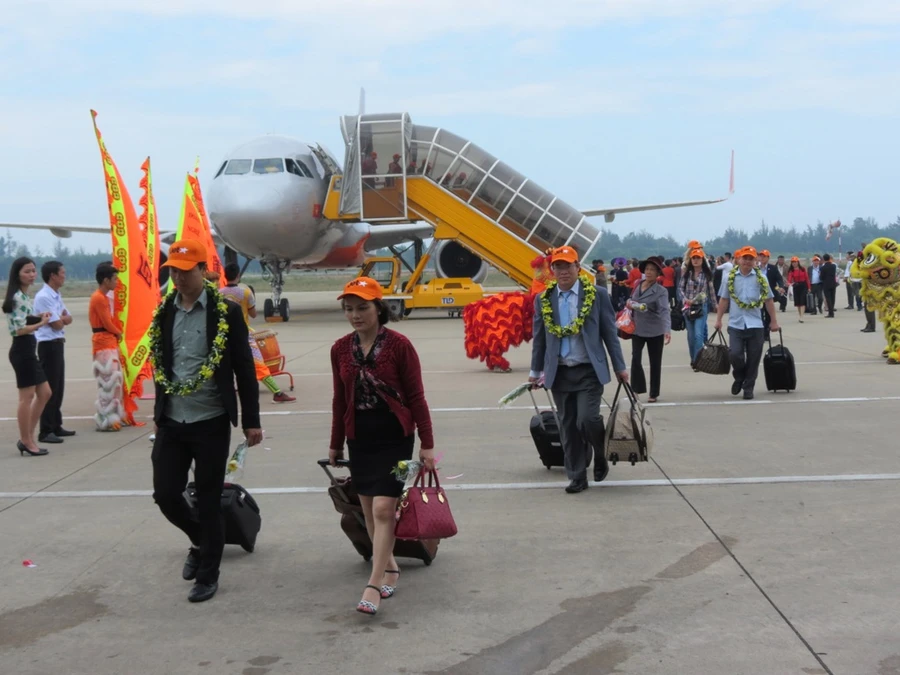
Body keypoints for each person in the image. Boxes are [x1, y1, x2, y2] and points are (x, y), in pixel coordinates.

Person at [150, 240, 262, 604]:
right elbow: (162, 362)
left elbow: (244, 368)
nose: (178, 278)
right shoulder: (164, 310)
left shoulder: (226, 312)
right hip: (172, 420)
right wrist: (158, 413)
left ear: (203, 270)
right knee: (166, 494)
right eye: (173, 272)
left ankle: (208, 573)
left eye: (185, 270)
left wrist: (251, 421)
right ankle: (200, 539)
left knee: (210, 498)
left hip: (210, 419)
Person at [329, 276, 435, 616]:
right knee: (369, 511)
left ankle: (373, 584)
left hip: (396, 438)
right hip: (359, 438)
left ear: (378, 308)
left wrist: (427, 444)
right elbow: (339, 399)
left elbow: (417, 397)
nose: (356, 315)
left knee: (383, 510)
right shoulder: (340, 349)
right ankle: (389, 566)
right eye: (349, 309)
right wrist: (335, 444)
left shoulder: (399, 346)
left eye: (362, 308)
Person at [529, 246, 628, 494]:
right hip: (560, 372)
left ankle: (601, 452)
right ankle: (577, 476)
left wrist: (620, 367)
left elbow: (609, 333)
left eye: (568, 266)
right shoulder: (543, 299)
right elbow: (539, 339)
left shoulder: (597, 295)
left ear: (578, 267)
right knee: (568, 425)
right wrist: (535, 371)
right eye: (558, 267)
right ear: (553, 270)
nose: (563, 272)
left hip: (588, 370)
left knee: (588, 419)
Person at [220, 263, 296, 404]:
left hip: (223, 335)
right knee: (259, 365)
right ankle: (277, 393)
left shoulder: (219, 293)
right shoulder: (246, 292)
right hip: (243, 334)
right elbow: (253, 314)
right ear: (238, 275)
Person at [715, 246, 780, 400]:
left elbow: (768, 300)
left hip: (756, 324)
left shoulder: (761, 278)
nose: (747, 261)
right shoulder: (729, 278)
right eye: (745, 258)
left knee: (754, 358)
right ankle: (739, 376)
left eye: (751, 258)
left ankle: (748, 387)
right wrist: (718, 320)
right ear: (738, 259)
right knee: (735, 355)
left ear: (755, 261)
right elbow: (724, 299)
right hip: (736, 324)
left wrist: (774, 322)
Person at [2, 257, 52, 456]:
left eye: (33, 271)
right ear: (17, 275)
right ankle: (26, 440)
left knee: (45, 392)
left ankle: (28, 436)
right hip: (22, 349)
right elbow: (18, 329)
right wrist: (41, 324)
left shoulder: (24, 296)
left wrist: (39, 317)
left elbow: (23, 319)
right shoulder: (17, 297)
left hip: (29, 348)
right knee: (26, 397)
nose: (32, 275)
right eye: (27, 272)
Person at [33, 260, 74, 444]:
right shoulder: (44, 297)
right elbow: (57, 324)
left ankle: (56, 424)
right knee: (49, 388)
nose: (64, 276)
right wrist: (63, 319)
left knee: (59, 387)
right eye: (62, 273)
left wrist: (63, 319)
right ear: (53, 276)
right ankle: (46, 430)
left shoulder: (56, 294)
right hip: (48, 345)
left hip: (57, 343)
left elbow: (68, 317)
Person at [628, 257, 671, 402]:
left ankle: (654, 393)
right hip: (637, 328)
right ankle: (636, 389)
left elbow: (665, 310)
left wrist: (667, 329)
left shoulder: (661, 291)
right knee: (635, 358)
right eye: (647, 269)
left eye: (652, 270)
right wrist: (630, 303)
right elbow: (631, 299)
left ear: (658, 273)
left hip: (655, 330)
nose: (649, 272)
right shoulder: (637, 284)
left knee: (655, 362)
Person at [89, 263, 125, 431]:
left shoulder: (102, 297)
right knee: (107, 383)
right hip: (103, 342)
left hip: (107, 341)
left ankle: (114, 416)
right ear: (106, 280)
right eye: (114, 279)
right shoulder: (99, 298)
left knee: (113, 381)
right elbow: (106, 322)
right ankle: (106, 419)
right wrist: (118, 332)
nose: (116, 282)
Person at [681, 249, 716, 368]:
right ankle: (693, 359)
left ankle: (698, 361)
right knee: (691, 337)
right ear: (690, 260)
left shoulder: (707, 274)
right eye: (694, 258)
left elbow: (710, 291)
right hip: (688, 308)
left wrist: (715, 305)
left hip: (701, 307)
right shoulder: (687, 274)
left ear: (702, 260)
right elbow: (680, 289)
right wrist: (685, 299)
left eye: (698, 258)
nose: (696, 260)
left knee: (698, 335)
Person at [757, 250, 785, 336]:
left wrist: (780, 287)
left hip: (769, 295)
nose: (762, 258)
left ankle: (766, 333)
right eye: (760, 256)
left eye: (764, 256)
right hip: (758, 296)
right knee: (760, 314)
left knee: (769, 315)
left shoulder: (773, 268)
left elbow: (779, 279)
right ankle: (761, 333)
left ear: (768, 258)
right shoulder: (756, 269)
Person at [786, 257, 810, 323]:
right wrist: (788, 283)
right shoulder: (791, 271)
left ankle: (802, 316)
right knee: (798, 303)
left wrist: (809, 287)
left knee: (802, 301)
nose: (794, 263)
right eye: (793, 262)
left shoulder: (803, 269)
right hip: (796, 286)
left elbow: (807, 278)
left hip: (803, 286)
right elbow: (789, 279)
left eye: (795, 262)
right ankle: (800, 315)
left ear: (798, 262)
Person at [820, 253, 839, 318]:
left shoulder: (823, 268)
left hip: (826, 284)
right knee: (833, 297)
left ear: (824, 259)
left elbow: (821, 277)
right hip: (833, 283)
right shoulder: (833, 266)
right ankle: (832, 310)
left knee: (828, 298)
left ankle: (830, 313)